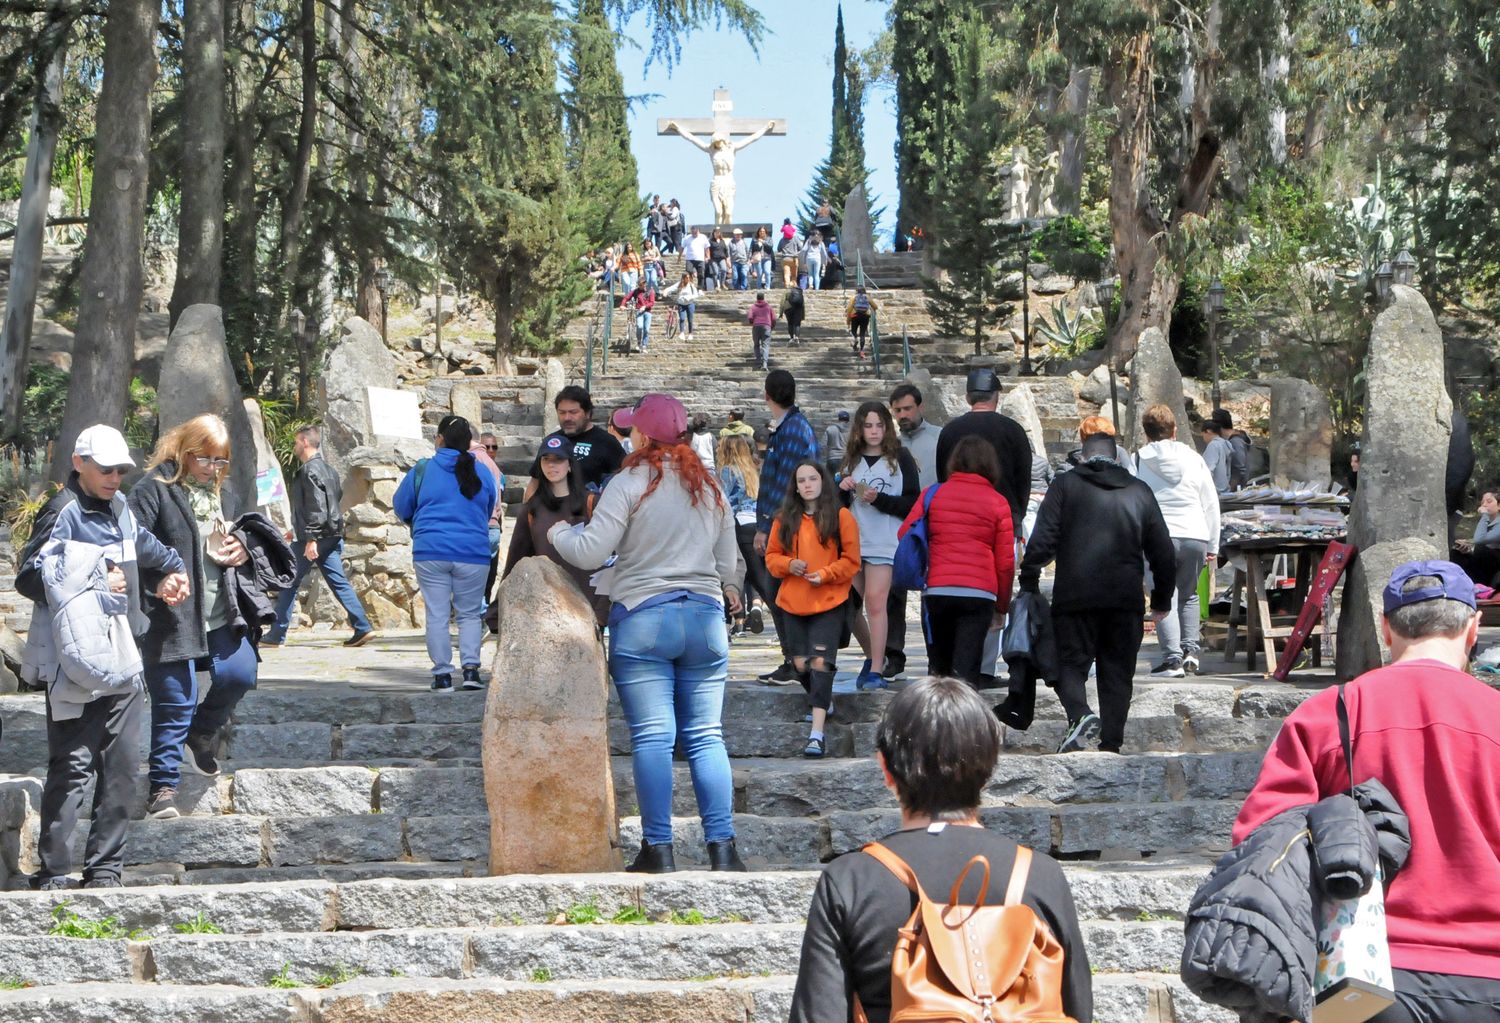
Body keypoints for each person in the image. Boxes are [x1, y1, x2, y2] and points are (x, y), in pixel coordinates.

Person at [1233, 560, 1500, 1022]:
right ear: (1473, 626)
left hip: (1362, 978)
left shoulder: (1329, 714)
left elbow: (1260, 841)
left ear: (1386, 627)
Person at [789, 676, 1093, 1023]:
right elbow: (1076, 1007)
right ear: (990, 768)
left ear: (886, 769)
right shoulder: (1040, 875)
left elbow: (818, 1014)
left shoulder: (850, 880)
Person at [551, 393, 745, 873]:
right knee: (706, 736)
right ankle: (723, 849)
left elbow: (592, 550)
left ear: (641, 434)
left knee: (654, 739)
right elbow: (727, 565)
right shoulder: (711, 485)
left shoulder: (629, 481)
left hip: (643, 616)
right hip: (703, 618)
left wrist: (557, 533)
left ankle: (659, 849)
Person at [17, 425, 190, 889]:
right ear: (79, 464)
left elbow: (144, 551)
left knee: (122, 767)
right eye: (106, 469)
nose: (115, 477)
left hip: (123, 658)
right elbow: (30, 578)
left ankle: (105, 871)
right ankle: (54, 872)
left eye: (121, 470)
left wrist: (169, 572)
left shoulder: (120, 508)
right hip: (71, 662)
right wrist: (95, 577)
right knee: (72, 768)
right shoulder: (62, 512)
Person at [128, 415, 260, 819]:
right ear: (185, 450)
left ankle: (201, 733)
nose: (213, 469)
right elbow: (128, 543)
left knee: (240, 672)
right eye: (206, 459)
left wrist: (242, 547)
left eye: (221, 461)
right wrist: (157, 583)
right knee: (175, 699)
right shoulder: (153, 490)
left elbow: (240, 536)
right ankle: (162, 789)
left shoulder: (226, 494)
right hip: (169, 616)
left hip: (219, 611)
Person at [1020, 430, 1174, 753]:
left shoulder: (1065, 485)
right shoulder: (1139, 491)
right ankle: (1111, 744)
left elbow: (1044, 537)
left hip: (1074, 597)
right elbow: (1162, 550)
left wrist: (1029, 578)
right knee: (1117, 673)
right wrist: (1161, 599)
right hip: (1125, 599)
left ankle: (1080, 715)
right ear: (1117, 458)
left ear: (1083, 456)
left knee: (1067, 664)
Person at [395, 416, 498, 692]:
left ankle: (442, 675)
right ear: (468, 443)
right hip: (473, 552)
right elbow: (490, 508)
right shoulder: (482, 472)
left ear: (439, 439)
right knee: (469, 615)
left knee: (438, 615)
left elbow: (402, 506)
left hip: (431, 551)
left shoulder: (422, 470)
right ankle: (471, 671)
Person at [901, 437, 1014, 687]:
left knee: (939, 672)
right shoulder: (998, 502)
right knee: (966, 671)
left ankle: (936, 723)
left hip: (938, 589)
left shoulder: (932, 494)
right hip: (979, 593)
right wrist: (1002, 607)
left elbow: (905, 533)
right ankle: (965, 722)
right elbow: (1005, 562)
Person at [766, 461, 860, 758]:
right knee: (799, 664)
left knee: (821, 662)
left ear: (823, 482)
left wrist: (826, 574)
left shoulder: (841, 516)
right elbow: (771, 558)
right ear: (795, 486)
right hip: (793, 601)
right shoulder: (783, 519)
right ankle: (824, 700)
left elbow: (852, 561)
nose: (807, 484)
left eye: (813, 478)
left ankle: (816, 734)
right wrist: (788, 564)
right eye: (802, 480)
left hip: (829, 600)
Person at [265, 426, 376, 647]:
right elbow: (332, 503)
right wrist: (297, 529)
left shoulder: (308, 471)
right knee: (339, 583)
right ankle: (363, 627)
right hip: (332, 535)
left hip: (317, 537)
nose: (295, 446)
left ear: (305, 442)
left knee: (289, 581)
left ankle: (276, 635)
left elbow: (317, 507)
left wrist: (311, 538)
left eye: (297, 442)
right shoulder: (330, 470)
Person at [839, 402, 921, 690]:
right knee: (847, 604)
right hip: (854, 541)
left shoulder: (901, 458)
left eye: (879, 425)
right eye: (868, 425)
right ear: (859, 429)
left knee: (876, 602)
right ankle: (872, 656)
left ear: (887, 427)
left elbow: (912, 504)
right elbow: (840, 506)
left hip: (885, 541)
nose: (873, 431)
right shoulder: (851, 459)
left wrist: (879, 500)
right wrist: (843, 488)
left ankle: (876, 669)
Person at [1135, 404, 1220, 678]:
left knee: (1164, 595)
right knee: (1190, 594)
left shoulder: (1137, 460)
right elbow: (1210, 502)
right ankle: (1191, 652)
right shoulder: (1193, 457)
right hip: (1195, 532)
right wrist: (1214, 544)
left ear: (1146, 433)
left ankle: (1171, 659)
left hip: (1158, 536)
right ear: (1174, 430)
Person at [755, 370, 821, 685]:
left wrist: (766, 527)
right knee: (777, 592)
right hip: (785, 524)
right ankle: (794, 659)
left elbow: (785, 483)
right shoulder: (789, 428)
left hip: (788, 528)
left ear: (767, 395)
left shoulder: (794, 430)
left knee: (780, 592)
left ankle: (798, 661)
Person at [503, 432, 609, 626]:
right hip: (549, 609)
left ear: (569, 464)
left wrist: (602, 611)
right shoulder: (531, 510)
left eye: (558, 459)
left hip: (590, 608)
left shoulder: (592, 503)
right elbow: (516, 560)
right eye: (546, 459)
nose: (552, 465)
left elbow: (612, 557)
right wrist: (499, 611)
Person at [886, 383, 943, 679]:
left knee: (932, 592)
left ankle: (936, 657)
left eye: (907, 409)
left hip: (933, 522)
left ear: (920, 407)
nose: (902, 415)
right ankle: (893, 655)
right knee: (892, 592)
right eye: (897, 410)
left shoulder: (939, 439)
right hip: (897, 523)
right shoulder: (888, 444)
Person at [935, 368, 1032, 539]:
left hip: (959, 521)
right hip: (1004, 521)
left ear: (967, 398)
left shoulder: (950, 431)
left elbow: (942, 477)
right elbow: (1023, 480)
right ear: (996, 396)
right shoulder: (1014, 430)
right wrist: (1017, 515)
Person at [525, 385, 625, 499]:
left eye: (573, 412)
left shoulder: (607, 442)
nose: (567, 418)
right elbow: (535, 482)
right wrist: (527, 513)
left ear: (587, 413)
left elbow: (623, 483)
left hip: (590, 512)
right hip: (551, 512)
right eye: (562, 412)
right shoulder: (551, 441)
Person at [717, 433, 767, 636]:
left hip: (738, 523)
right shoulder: (752, 470)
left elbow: (726, 501)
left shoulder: (728, 471)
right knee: (759, 577)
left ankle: (730, 621)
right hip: (755, 522)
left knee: (733, 571)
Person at [1453, 490, 1500, 587]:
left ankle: (1481, 586)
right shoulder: (1486, 522)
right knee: (1457, 553)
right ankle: (1460, 585)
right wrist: (1467, 545)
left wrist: (1485, 515)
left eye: (1489, 501)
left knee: (1480, 550)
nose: (1484, 505)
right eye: (1482, 502)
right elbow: (1477, 539)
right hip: (1486, 558)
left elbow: (1480, 540)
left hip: (1496, 561)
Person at [1210, 408, 1251, 490]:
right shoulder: (1237, 438)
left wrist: (1230, 489)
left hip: (1240, 490)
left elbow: (1239, 469)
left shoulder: (1235, 442)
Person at [660, 270, 699, 341]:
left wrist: (689, 298)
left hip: (690, 304)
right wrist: (666, 291)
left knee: (690, 319)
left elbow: (696, 295)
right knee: (682, 318)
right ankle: (682, 333)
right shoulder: (680, 284)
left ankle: (690, 334)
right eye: (686, 278)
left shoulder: (691, 285)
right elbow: (671, 288)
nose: (688, 279)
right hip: (681, 304)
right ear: (683, 278)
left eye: (689, 277)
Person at [620, 279, 655, 353]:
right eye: (640, 285)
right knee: (639, 326)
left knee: (646, 329)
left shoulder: (650, 291)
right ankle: (639, 342)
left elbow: (652, 302)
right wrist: (622, 305)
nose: (641, 287)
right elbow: (627, 297)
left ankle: (644, 345)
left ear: (645, 284)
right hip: (639, 311)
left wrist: (645, 306)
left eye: (642, 285)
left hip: (648, 312)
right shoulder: (636, 291)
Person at [1199, 417, 1233, 493]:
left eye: (1203, 434)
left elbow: (1208, 470)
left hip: (1215, 491)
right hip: (1225, 487)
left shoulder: (1213, 445)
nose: (1203, 438)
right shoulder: (1226, 443)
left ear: (1208, 431)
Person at [747, 290, 777, 372]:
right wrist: (772, 326)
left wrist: (752, 322)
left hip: (756, 326)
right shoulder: (768, 307)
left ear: (757, 298)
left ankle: (758, 362)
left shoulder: (753, 307)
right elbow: (774, 318)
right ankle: (764, 364)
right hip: (766, 326)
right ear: (763, 298)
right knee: (765, 345)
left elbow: (750, 317)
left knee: (756, 345)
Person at [846, 285, 878, 357]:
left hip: (855, 316)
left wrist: (848, 321)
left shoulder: (853, 297)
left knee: (853, 330)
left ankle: (855, 338)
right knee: (862, 333)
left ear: (856, 291)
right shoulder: (867, 297)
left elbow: (849, 310)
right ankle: (862, 351)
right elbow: (875, 307)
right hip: (865, 316)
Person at [707, 226, 729, 291]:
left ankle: (722, 284)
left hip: (722, 258)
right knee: (716, 272)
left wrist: (727, 259)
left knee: (724, 270)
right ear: (713, 233)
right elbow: (707, 250)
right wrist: (708, 257)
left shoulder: (722, 241)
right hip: (713, 259)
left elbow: (725, 250)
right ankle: (716, 286)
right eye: (716, 232)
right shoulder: (710, 241)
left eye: (718, 232)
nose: (717, 233)